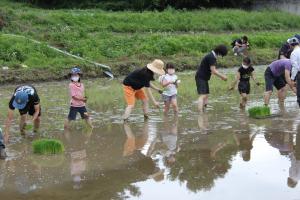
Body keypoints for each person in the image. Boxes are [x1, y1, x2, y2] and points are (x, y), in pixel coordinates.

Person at [195, 44, 228, 112]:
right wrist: (223, 77)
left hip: (204, 78)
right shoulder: (211, 57)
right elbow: (213, 71)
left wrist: (220, 74)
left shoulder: (212, 56)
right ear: (219, 52)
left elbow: (213, 70)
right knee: (203, 95)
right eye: (222, 55)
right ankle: (200, 113)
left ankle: (204, 111)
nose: (221, 57)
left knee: (206, 96)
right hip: (201, 77)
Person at [290, 37, 300, 107]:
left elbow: (295, 67)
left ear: (291, 45)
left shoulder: (293, 53)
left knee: (299, 96)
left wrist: (292, 79)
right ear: (298, 43)